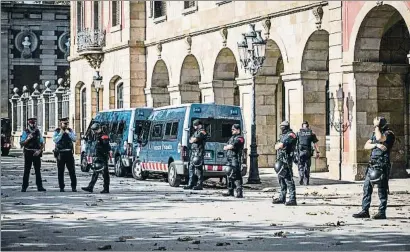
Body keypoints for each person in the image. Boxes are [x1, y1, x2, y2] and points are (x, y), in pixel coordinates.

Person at [353, 116, 395, 220]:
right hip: (372, 164)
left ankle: (381, 212)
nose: (374, 126)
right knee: (367, 188)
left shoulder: (389, 133)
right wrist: (376, 145)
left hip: (382, 164)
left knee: (382, 189)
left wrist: (377, 127)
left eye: (376, 125)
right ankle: (364, 210)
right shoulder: (375, 134)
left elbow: (380, 138)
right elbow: (366, 145)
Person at [272, 121, 297, 206]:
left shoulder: (291, 135)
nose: (281, 128)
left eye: (283, 127)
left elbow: (281, 145)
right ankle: (282, 198)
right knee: (281, 179)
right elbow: (276, 145)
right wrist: (279, 145)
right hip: (280, 159)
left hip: (287, 160)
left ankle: (292, 199)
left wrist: (279, 145)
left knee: (288, 179)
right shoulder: (282, 135)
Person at [82, 123, 111, 194]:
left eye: (95, 130)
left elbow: (106, 146)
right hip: (98, 156)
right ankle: (90, 187)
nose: (94, 132)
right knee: (95, 172)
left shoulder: (104, 136)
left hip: (103, 157)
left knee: (105, 174)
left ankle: (106, 188)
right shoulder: (98, 136)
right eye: (94, 130)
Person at [20, 118, 46, 192]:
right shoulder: (25, 132)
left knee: (38, 170)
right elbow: (22, 143)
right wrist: (27, 139)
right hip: (28, 152)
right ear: (28, 123)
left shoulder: (38, 132)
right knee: (27, 170)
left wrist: (39, 150)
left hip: (36, 153)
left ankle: (39, 186)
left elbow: (42, 143)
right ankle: (24, 186)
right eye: (31, 123)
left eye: (34, 123)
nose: (33, 124)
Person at [53, 117, 77, 192]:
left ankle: (73, 187)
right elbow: (55, 140)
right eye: (65, 123)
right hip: (60, 153)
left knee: (72, 171)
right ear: (61, 123)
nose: (66, 125)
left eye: (67, 123)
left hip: (69, 153)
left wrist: (68, 133)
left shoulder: (70, 130)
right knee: (60, 171)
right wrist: (61, 133)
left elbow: (74, 139)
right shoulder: (57, 131)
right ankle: (61, 187)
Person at [184, 119, 208, 190]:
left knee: (198, 168)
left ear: (199, 125)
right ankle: (191, 183)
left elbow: (195, 139)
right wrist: (192, 139)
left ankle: (199, 184)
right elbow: (190, 139)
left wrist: (193, 139)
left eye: (195, 125)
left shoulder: (202, 132)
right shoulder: (196, 132)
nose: (194, 127)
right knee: (191, 167)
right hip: (194, 152)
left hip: (199, 152)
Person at [222, 124, 245, 198]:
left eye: (233, 129)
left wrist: (228, 147)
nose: (232, 131)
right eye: (232, 129)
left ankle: (239, 192)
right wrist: (228, 147)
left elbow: (231, 146)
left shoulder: (240, 138)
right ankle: (230, 191)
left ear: (238, 130)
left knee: (236, 174)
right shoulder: (232, 138)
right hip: (229, 158)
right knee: (229, 174)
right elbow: (226, 146)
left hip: (235, 158)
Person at [296, 121, 320, 185]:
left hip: (300, 152)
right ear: (308, 126)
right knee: (307, 166)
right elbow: (315, 144)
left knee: (301, 165)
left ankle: (301, 176)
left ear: (302, 126)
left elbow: (295, 143)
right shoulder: (311, 133)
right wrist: (317, 152)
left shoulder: (298, 133)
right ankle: (306, 181)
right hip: (308, 152)